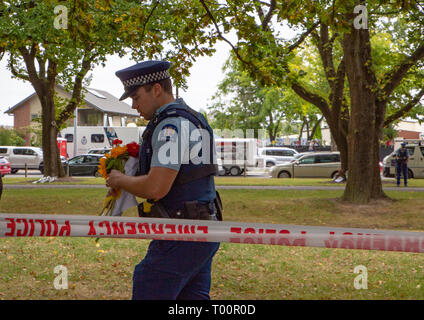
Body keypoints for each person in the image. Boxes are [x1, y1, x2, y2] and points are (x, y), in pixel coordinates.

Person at [106, 60, 221, 300]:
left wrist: (120, 179)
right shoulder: (194, 118)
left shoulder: (171, 126)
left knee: (149, 282)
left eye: (136, 97)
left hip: (182, 233)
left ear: (156, 89)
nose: (134, 105)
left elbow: (156, 187)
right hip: (203, 229)